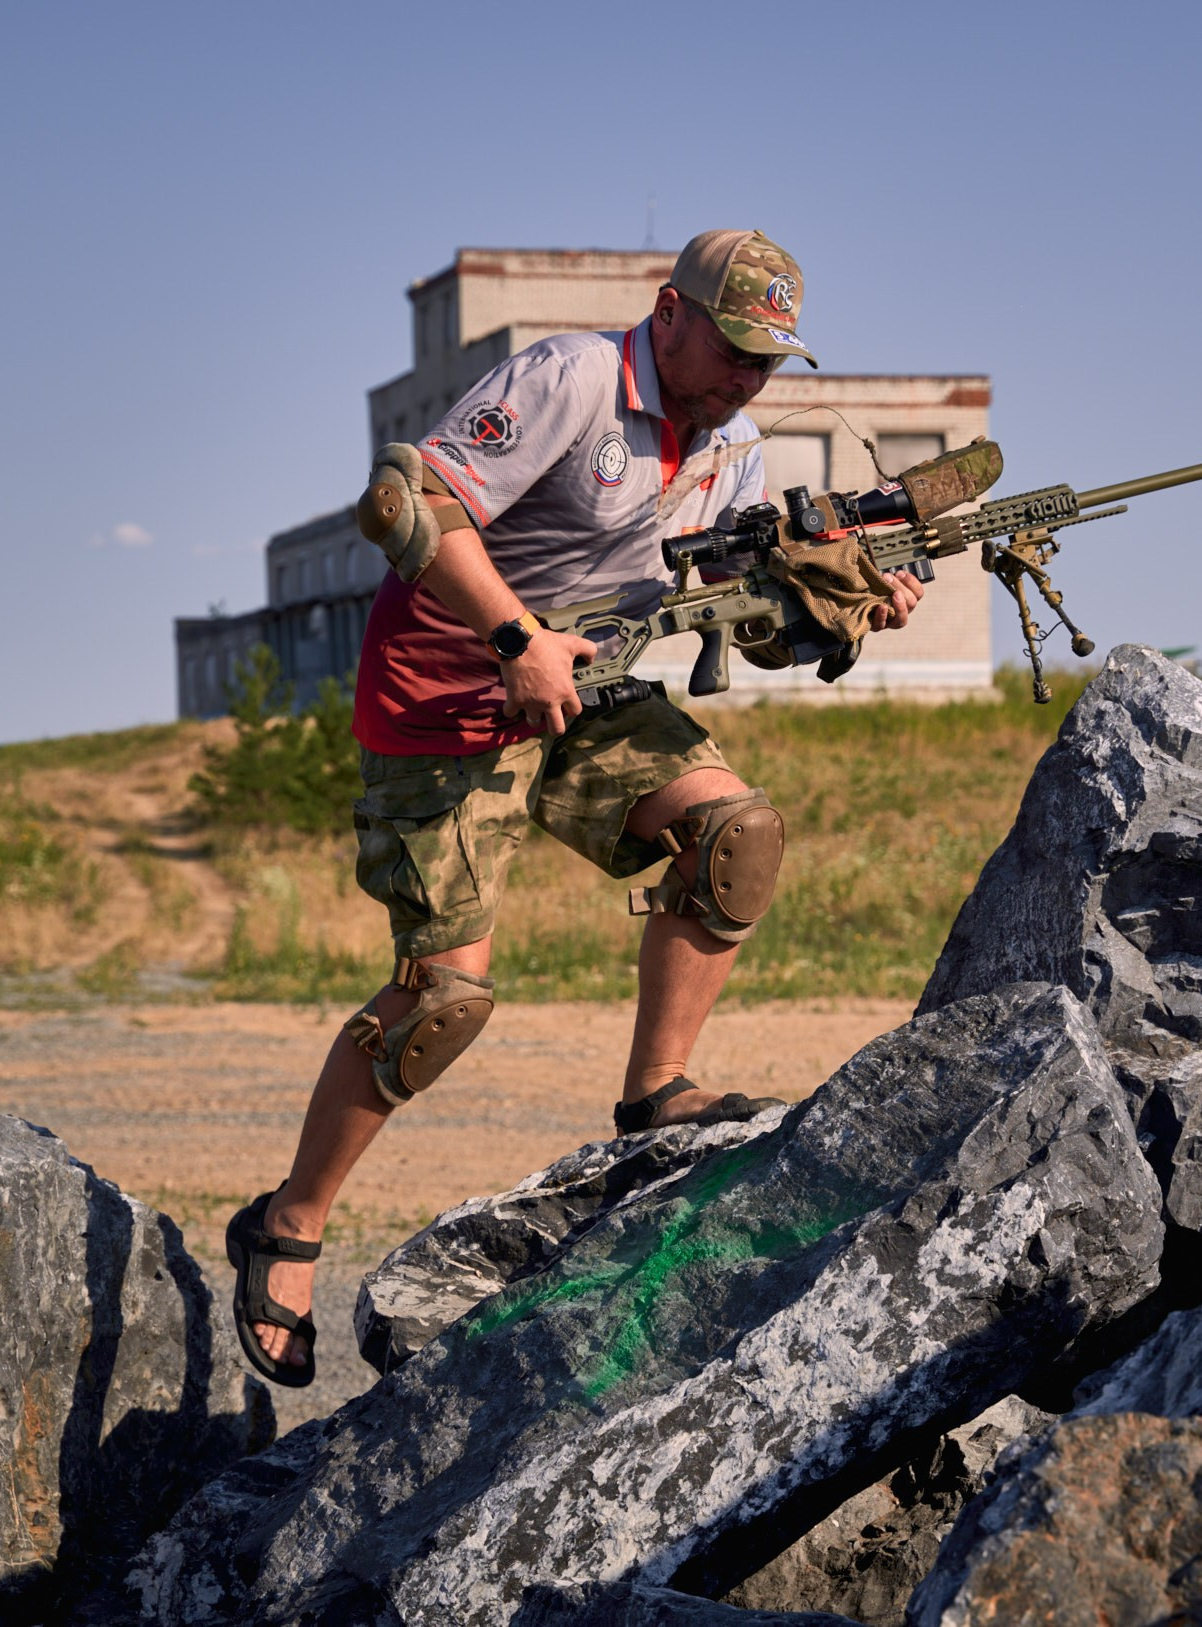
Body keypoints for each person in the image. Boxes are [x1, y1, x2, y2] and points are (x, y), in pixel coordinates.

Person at [226, 230, 926, 1385]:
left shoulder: (733, 446)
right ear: (670, 313)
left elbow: (735, 606)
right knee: (442, 1001)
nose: (748, 377)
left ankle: (655, 1093)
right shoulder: (574, 378)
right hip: (448, 703)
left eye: (768, 359)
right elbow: (403, 503)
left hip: (592, 691)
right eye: (734, 347)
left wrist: (846, 604)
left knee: (736, 835)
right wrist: (516, 640)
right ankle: (288, 1222)